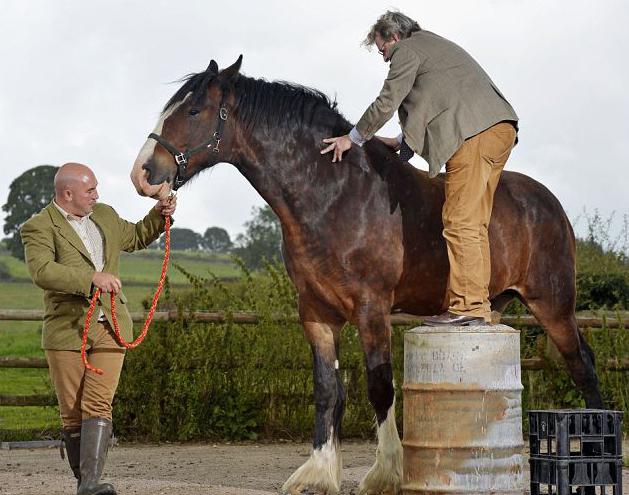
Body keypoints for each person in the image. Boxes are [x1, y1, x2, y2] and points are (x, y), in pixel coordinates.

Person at [321, 10, 518, 326]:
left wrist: (352, 138)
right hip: (496, 129)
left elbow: (387, 101)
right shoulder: (431, 47)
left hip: (475, 134)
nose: (384, 58)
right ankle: (477, 305)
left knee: (459, 221)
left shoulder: (408, 50)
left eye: (383, 49)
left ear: (394, 37)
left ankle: (467, 309)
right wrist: (401, 141)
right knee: (474, 224)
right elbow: (434, 104)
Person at [20, 162, 176, 495]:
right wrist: (91, 279)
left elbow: (135, 236)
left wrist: (159, 213)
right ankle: (85, 484)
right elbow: (43, 272)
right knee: (72, 413)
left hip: (111, 326)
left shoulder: (104, 214)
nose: (97, 195)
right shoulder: (38, 227)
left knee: (99, 404)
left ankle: (90, 483)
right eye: (90, 191)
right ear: (68, 194)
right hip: (67, 330)